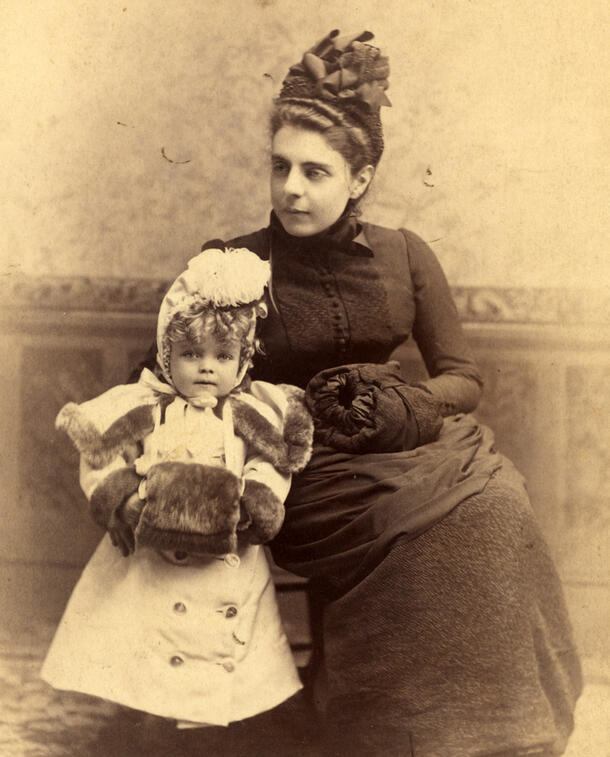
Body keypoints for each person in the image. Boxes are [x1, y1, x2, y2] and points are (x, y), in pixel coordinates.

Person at [193, 30, 583, 756]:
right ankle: (386, 725)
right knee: (407, 526)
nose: (291, 189)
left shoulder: (407, 254)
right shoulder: (235, 264)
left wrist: (412, 406)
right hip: (303, 468)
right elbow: (174, 369)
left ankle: (491, 728)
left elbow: (464, 373)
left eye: (315, 171)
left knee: (497, 507)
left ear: (360, 178)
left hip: (410, 438)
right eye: (280, 167)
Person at [41, 246, 314, 737]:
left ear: (243, 359)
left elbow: (270, 463)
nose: (206, 367)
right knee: (147, 638)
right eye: (192, 354)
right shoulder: (144, 405)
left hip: (226, 549)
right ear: (168, 355)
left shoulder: (251, 411)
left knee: (222, 643)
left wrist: (257, 497)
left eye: (222, 356)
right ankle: (151, 718)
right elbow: (101, 457)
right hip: (153, 549)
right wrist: (121, 499)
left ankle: (217, 728)